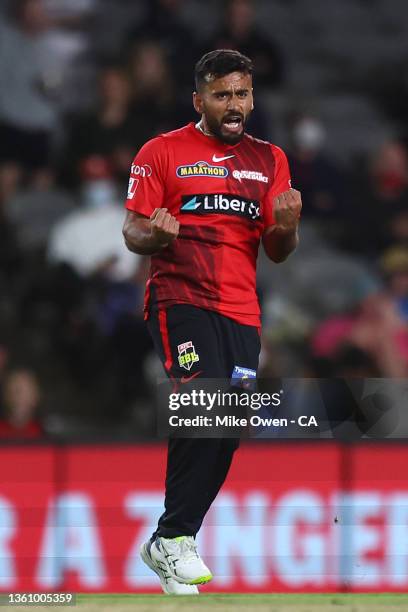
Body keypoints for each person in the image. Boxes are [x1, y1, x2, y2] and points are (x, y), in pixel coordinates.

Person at [122, 49, 301, 595]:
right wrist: (158, 235)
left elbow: (277, 252)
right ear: (198, 99)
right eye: (222, 95)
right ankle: (174, 540)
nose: (234, 105)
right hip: (181, 300)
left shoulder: (271, 160)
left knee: (227, 426)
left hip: (242, 312)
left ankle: (171, 544)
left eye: (242, 93)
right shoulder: (162, 152)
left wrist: (287, 226)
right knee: (206, 402)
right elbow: (132, 233)